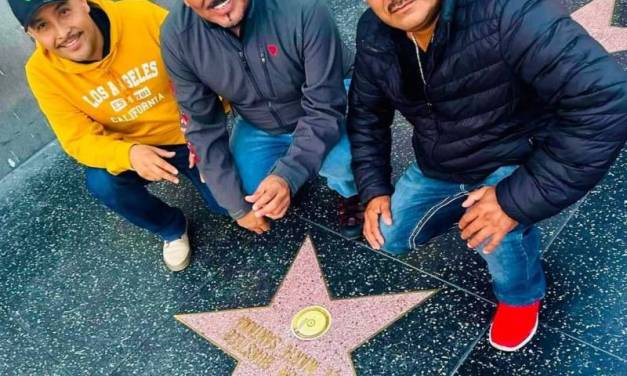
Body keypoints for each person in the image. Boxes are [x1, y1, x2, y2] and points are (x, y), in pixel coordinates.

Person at [348, 0, 626, 351]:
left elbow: (607, 101)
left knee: (491, 230)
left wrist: (514, 200)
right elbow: (365, 114)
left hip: (514, 156)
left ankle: (521, 296)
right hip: (441, 163)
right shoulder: (374, 31)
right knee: (390, 236)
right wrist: (373, 187)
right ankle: (468, 206)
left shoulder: (510, 10)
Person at [9, 0, 227, 272]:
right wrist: (128, 153)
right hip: (133, 148)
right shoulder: (41, 72)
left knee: (228, 206)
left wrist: (205, 134)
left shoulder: (139, 15)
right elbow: (76, 138)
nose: (62, 32)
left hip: (189, 133)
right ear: (31, 34)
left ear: (82, 3)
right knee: (102, 182)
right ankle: (171, 227)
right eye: (43, 25)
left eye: (64, 11)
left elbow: (202, 65)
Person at [160, 0, 363, 238]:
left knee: (350, 159)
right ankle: (299, 164)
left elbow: (325, 107)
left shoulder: (304, 7)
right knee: (246, 193)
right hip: (256, 119)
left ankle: (351, 193)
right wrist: (237, 208)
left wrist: (288, 175)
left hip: (328, 99)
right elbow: (201, 125)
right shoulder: (177, 35)